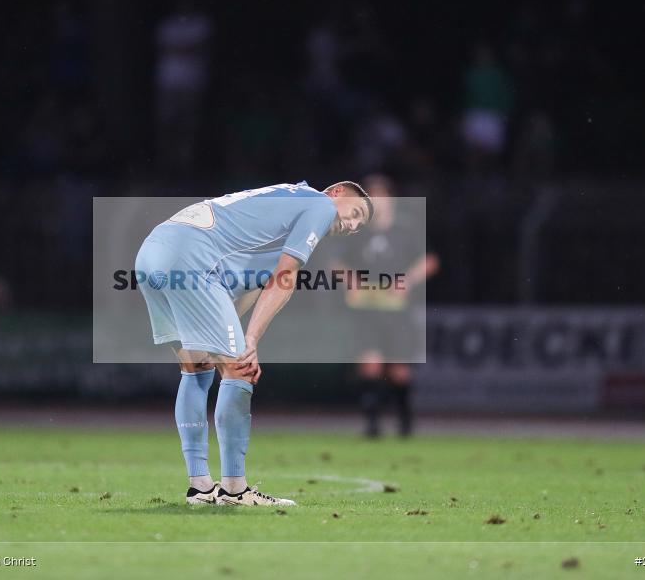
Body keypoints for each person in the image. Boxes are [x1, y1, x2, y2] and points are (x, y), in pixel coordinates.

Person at [134, 181, 373, 506]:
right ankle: (235, 490)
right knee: (240, 370)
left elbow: (244, 287)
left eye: (361, 225)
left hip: (153, 252)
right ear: (336, 192)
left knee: (197, 368)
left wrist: (227, 339)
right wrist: (248, 342)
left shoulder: (285, 201)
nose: (354, 225)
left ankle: (200, 488)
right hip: (192, 256)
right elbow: (285, 276)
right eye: (356, 212)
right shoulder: (320, 205)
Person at [337, 175, 438, 437]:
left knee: (399, 370)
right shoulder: (355, 231)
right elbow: (337, 264)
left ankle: (405, 422)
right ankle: (372, 425)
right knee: (370, 363)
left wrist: (408, 280)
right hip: (366, 310)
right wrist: (351, 280)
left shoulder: (407, 229)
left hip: (398, 311)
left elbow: (429, 261)